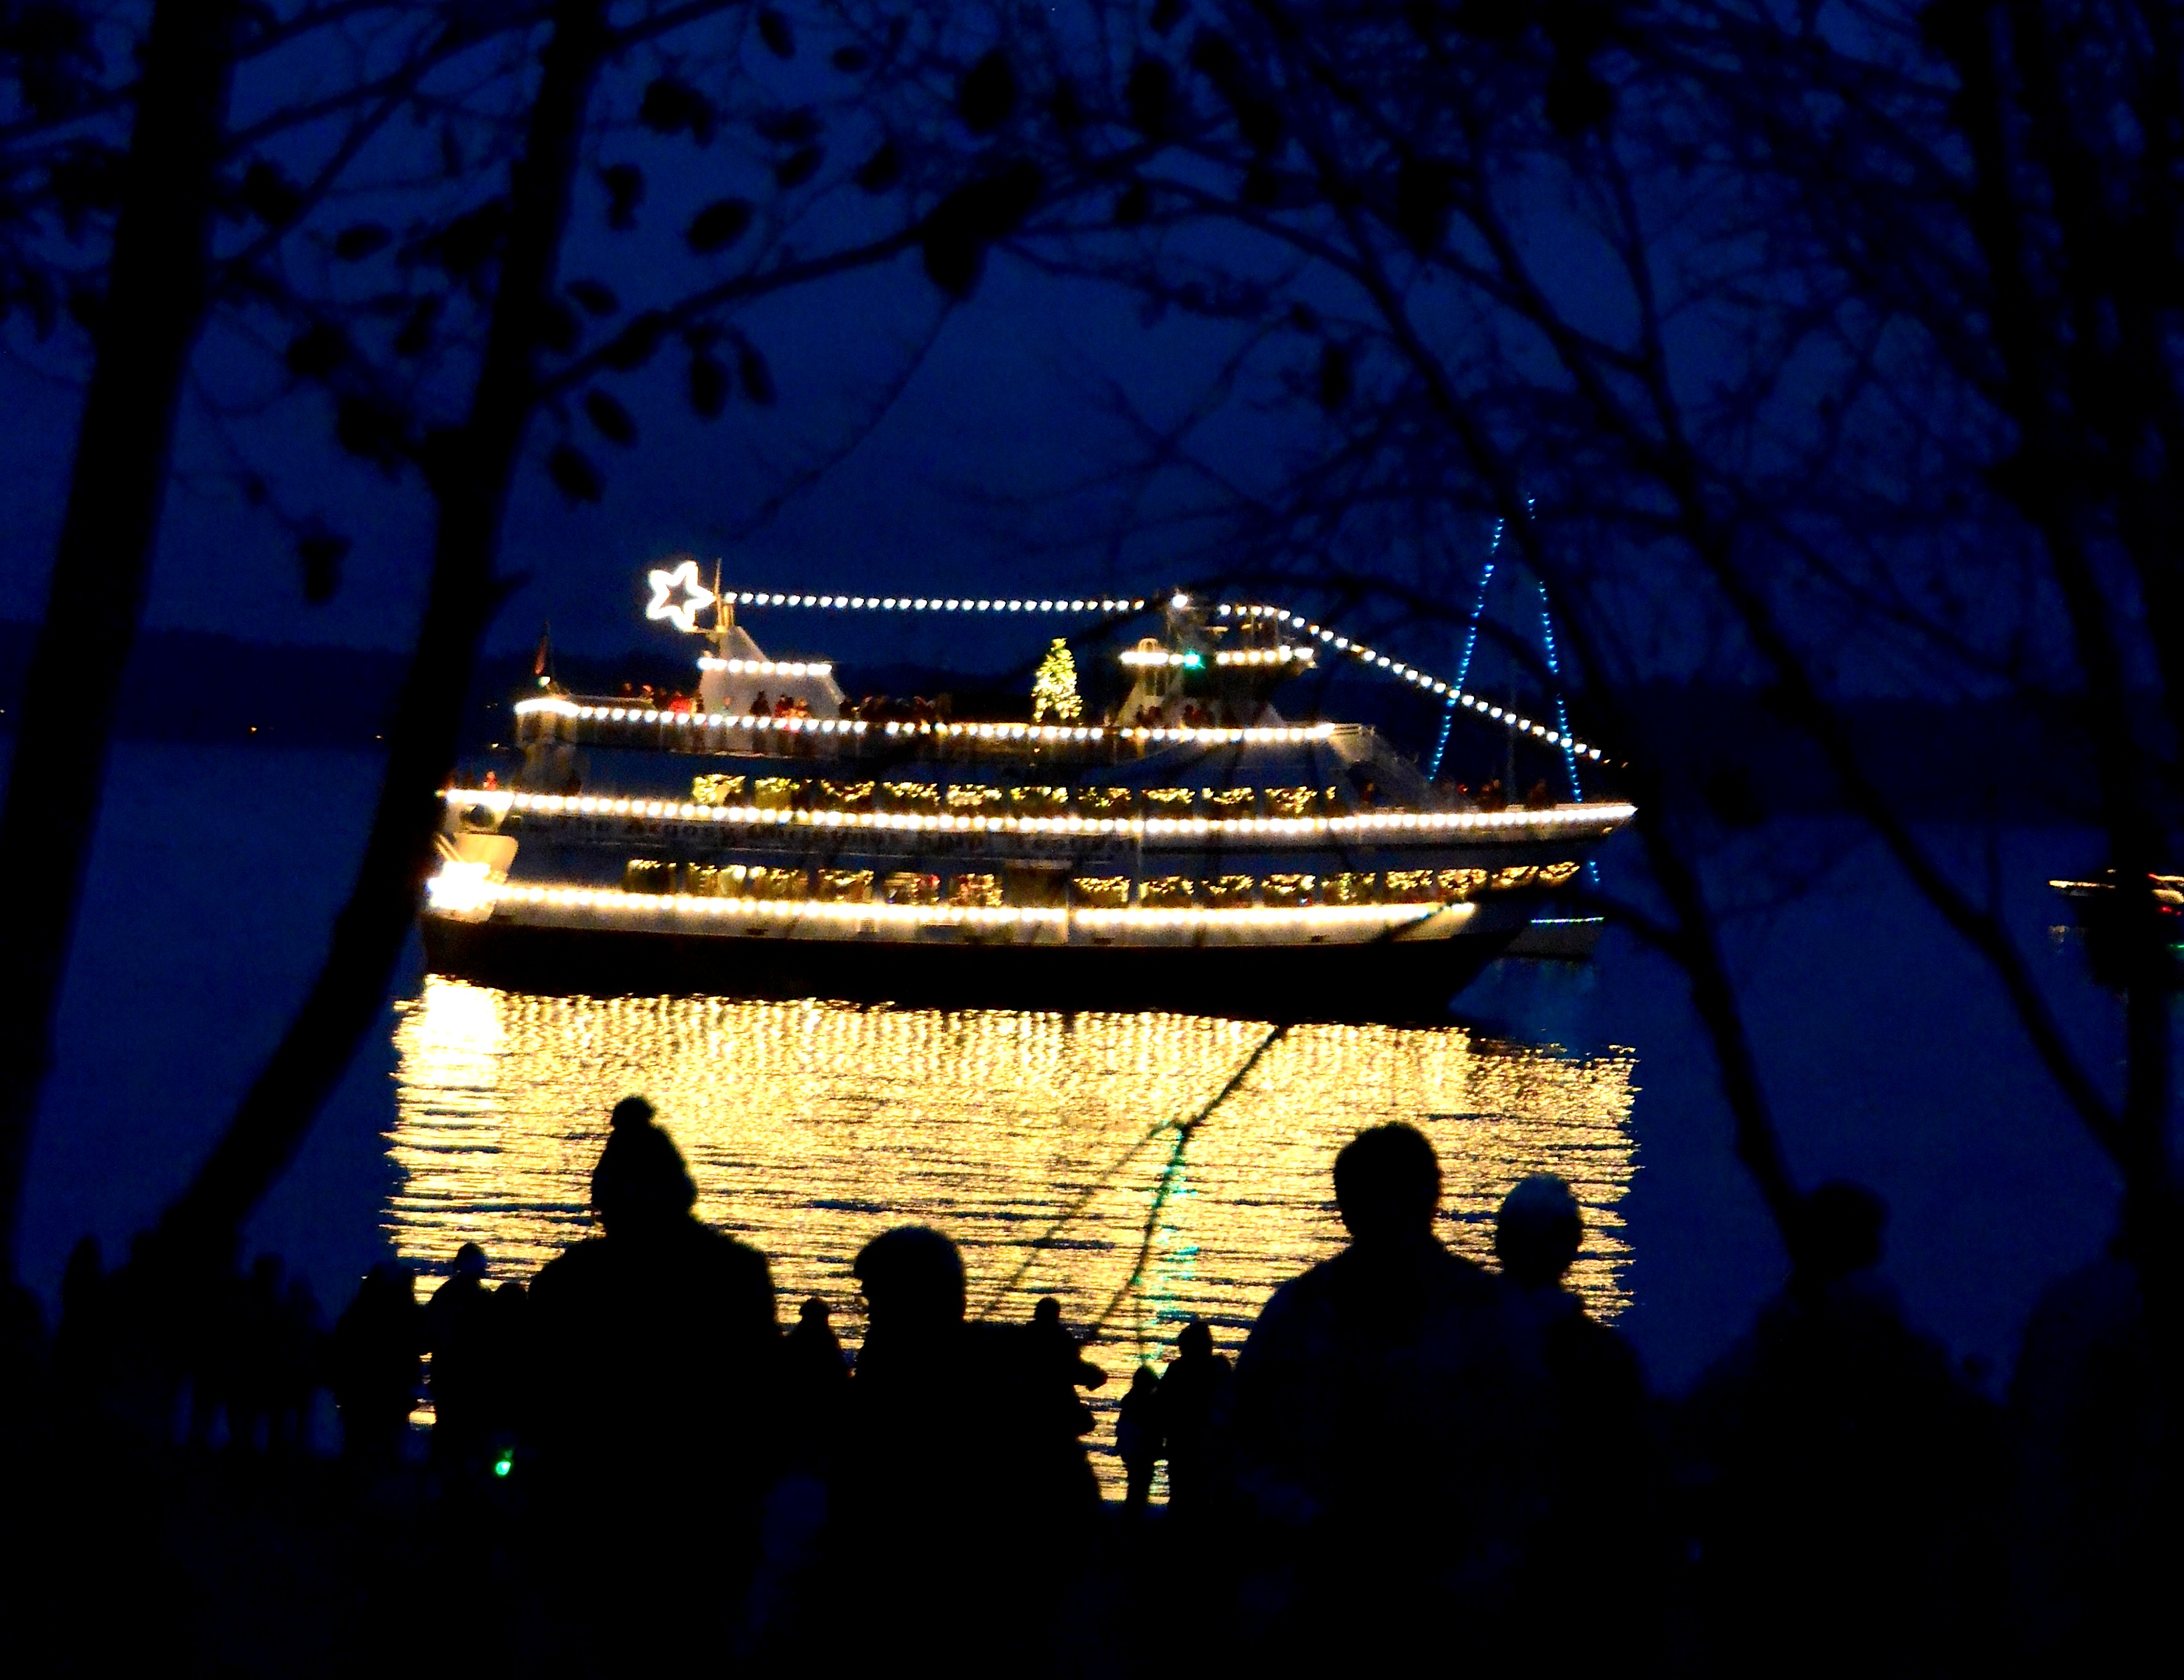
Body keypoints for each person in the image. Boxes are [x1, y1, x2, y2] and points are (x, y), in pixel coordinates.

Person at [1228, 1123, 1537, 1667]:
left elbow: (1237, 1444)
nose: (1380, 1214)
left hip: (1415, 1586)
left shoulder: (1300, 1313)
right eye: (1368, 1199)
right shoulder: (1488, 1313)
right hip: (1351, 1584)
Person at [1683, 1181, 2003, 1677]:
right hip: (1852, 1546)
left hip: (1817, 1544)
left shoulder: (1792, 1331)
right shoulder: (1862, 1332)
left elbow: (1713, 1408)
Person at [331, 1263, 423, 1469]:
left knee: (360, 1442)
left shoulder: (358, 1311)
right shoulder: (401, 1313)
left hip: (364, 1389)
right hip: (389, 1389)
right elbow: (422, 1340)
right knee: (385, 1441)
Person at [424, 1242, 495, 1473]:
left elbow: (428, 1335)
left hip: (447, 1377)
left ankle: (440, 1478)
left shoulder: (444, 1295)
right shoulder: (484, 1299)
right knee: (468, 1434)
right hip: (470, 1380)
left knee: (445, 1430)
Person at [1157, 1317, 1232, 1515]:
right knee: (1197, 1497)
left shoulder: (1180, 1371)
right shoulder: (1219, 1371)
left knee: (1191, 1497)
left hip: (1195, 1445)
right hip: (1196, 1445)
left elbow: (1161, 1406)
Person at [1116, 1365, 1164, 1511]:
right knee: (1139, 1486)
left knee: (1138, 1485)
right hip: (1139, 1453)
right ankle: (1133, 1517)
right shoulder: (1141, 1405)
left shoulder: (1134, 1403)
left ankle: (1133, 1514)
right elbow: (1146, 1430)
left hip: (1135, 1452)